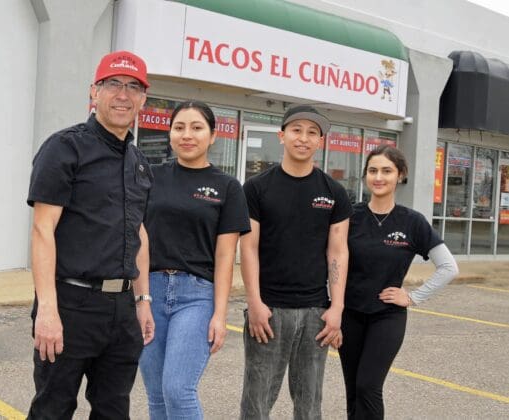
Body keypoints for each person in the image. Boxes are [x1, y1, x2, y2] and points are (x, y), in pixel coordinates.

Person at [26, 50, 155, 419]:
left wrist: (143, 300)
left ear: (143, 99)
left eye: (133, 87)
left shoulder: (139, 163)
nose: (123, 95)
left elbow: (138, 233)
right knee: (52, 409)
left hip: (122, 309)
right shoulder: (65, 148)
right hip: (71, 304)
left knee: (114, 411)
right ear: (94, 91)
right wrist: (47, 310)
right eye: (113, 84)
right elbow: (42, 229)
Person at [240, 105, 352, 419]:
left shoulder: (334, 192)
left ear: (320, 141)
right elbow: (248, 248)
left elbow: (338, 252)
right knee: (256, 402)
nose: (304, 138)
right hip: (268, 312)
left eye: (312, 132)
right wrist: (255, 303)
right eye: (296, 130)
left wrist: (337, 308)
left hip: (316, 313)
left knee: (309, 405)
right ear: (282, 135)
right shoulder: (256, 188)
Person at [139, 101, 251, 419]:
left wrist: (220, 315)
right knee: (156, 394)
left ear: (213, 136)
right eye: (179, 127)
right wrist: (140, 298)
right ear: (170, 134)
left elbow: (225, 255)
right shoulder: (149, 177)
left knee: (177, 389)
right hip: (150, 290)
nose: (187, 135)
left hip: (196, 295)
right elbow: (138, 239)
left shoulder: (227, 187)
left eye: (197, 127)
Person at [339, 145, 459, 420]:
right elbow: (331, 259)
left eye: (386, 171)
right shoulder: (350, 217)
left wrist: (414, 297)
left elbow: (448, 267)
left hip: (387, 316)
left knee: (368, 386)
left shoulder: (412, 222)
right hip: (349, 314)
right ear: (365, 176)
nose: (378, 177)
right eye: (372, 171)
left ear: (400, 175)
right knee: (354, 389)